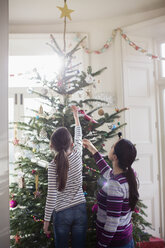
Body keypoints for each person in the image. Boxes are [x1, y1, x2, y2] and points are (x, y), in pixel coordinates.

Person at [83, 136, 139, 248]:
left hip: (115, 243)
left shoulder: (115, 184)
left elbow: (112, 223)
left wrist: (101, 245)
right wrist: (93, 150)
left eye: (113, 147)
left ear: (115, 157)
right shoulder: (125, 176)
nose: (110, 147)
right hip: (125, 239)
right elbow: (106, 171)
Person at [44, 105, 87, 248]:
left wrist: (46, 221)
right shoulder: (77, 153)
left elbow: (51, 195)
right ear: (71, 143)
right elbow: (79, 136)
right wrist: (76, 117)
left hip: (61, 213)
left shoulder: (52, 165)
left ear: (52, 146)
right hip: (80, 209)